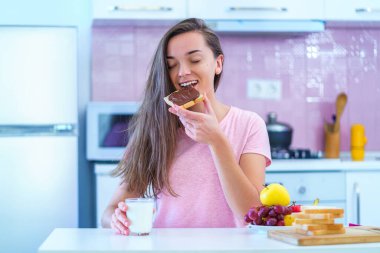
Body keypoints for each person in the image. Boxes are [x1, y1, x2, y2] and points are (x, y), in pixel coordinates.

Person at [101, 18, 271, 235]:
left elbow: (252, 213)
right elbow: (110, 210)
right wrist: (116, 219)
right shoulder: (155, 129)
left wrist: (217, 141)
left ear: (218, 64)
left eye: (195, 60)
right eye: (172, 65)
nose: (182, 72)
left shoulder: (249, 124)